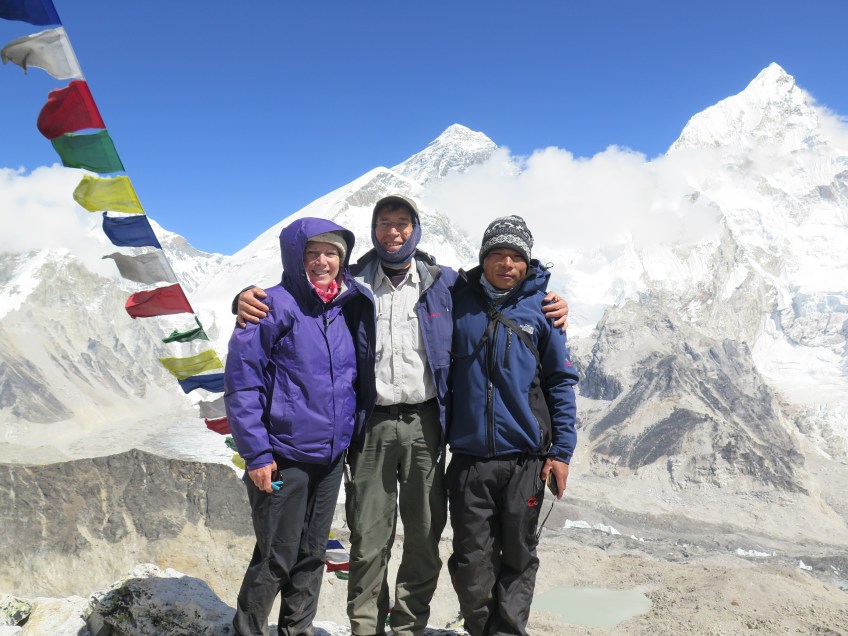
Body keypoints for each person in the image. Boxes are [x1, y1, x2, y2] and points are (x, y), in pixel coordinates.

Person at [235, 195, 569, 636]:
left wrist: (551, 300)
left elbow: (505, 296)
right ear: (373, 231)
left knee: (424, 535)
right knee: (369, 536)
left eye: (402, 223)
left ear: (416, 230)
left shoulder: (445, 283)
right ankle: (367, 629)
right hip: (370, 424)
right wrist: (243, 299)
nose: (393, 232)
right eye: (384, 223)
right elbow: (298, 295)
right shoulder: (352, 285)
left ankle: (409, 627)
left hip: (426, 423)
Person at [224, 217, 369, 636]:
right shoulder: (269, 306)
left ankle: (296, 630)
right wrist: (257, 454)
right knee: (277, 554)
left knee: (312, 554)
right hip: (283, 455)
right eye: (312, 253)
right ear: (294, 257)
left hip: (330, 456)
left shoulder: (345, 306)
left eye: (331, 253)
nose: (322, 261)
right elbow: (243, 384)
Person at [446, 215, 579, 636]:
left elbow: (560, 382)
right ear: (483, 258)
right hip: (469, 460)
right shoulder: (456, 301)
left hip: (526, 460)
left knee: (519, 556)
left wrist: (562, 452)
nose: (507, 264)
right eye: (498, 254)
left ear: (527, 262)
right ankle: (480, 627)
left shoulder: (543, 310)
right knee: (471, 560)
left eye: (516, 256)